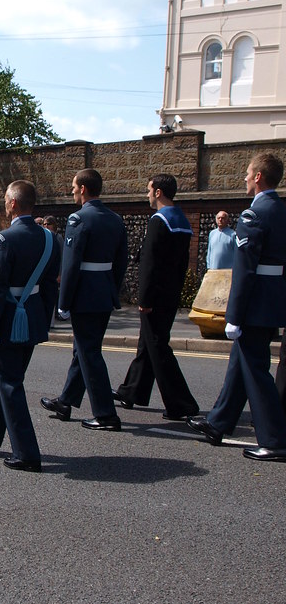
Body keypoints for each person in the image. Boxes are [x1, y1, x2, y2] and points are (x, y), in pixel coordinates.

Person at [189, 153, 286, 461]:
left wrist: (234, 316)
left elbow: (244, 271)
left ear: (258, 177)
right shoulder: (281, 210)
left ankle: (274, 438)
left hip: (255, 302)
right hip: (273, 299)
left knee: (255, 369)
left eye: (247, 173)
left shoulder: (253, 215)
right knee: (241, 361)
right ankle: (219, 422)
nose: (244, 177)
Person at [0, 180, 61, 472]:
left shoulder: (3, 239)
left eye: (6, 200)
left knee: (9, 382)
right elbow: (49, 285)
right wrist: (44, 320)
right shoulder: (48, 238)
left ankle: (27, 453)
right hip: (32, 317)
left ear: (13, 204)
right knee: (9, 378)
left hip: (9, 320)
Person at [40, 168, 128, 431]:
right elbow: (121, 262)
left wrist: (63, 302)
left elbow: (71, 264)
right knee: (84, 348)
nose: (72, 191)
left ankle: (106, 414)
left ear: (84, 190)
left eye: (74, 187)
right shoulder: (115, 219)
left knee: (89, 352)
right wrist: (111, 288)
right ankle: (66, 401)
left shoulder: (79, 219)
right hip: (103, 292)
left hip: (84, 295)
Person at [112, 173, 199, 420]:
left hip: (155, 296)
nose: (147, 194)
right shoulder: (181, 220)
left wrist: (145, 299)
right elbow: (181, 265)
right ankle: (132, 391)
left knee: (158, 346)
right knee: (147, 343)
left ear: (158, 192)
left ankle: (181, 403)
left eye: (149, 190)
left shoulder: (159, 220)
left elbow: (150, 265)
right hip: (170, 294)